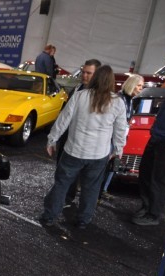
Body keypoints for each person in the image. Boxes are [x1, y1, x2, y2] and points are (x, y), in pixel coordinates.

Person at [39, 65, 129, 229]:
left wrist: (52, 140)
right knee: (91, 188)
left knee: (62, 184)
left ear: (94, 78)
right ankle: (83, 220)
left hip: (74, 150)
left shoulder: (80, 96)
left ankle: (49, 217)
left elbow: (63, 120)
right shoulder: (118, 103)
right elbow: (120, 130)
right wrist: (118, 150)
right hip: (98, 155)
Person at [131, 87, 165, 226]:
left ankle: (153, 215)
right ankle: (146, 207)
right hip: (157, 138)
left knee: (160, 180)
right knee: (145, 173)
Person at [63, 58, 103, 206]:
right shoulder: (77, 89)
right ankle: (67, 198)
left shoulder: (103, 95)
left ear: (97, 75)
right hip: (69, 138)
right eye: (83, 72)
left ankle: (84, 212)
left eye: (89, 73)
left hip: (89, 145)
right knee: (65, 174)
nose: (84, 75)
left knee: (87, 180)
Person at [100, 74, 145, 197]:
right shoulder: (120, 99)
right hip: (111, 137)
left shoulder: (129, 99)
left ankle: (102, 190)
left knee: (112, 165)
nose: (141, 88)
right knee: (105, 164)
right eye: (139, 85)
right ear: (132, 85)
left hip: (118, 137)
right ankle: (97, 191)